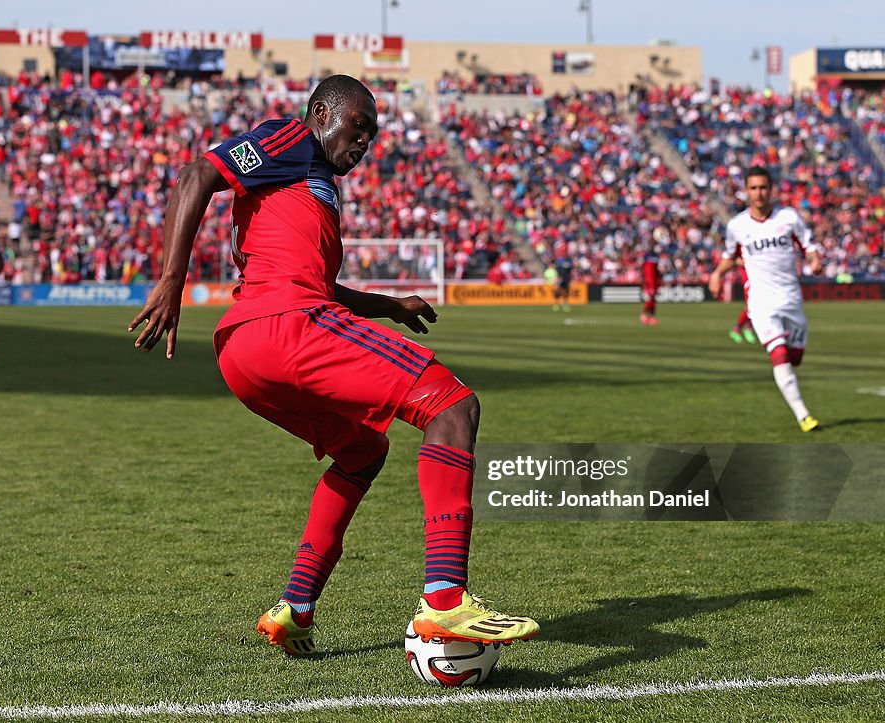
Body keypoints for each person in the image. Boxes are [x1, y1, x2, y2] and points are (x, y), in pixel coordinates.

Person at [129, 75, 539, 656]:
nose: (366, 140)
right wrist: (172, 279)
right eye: (358, 126)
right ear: (322, 112)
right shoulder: (290, 140)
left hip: (247, 353)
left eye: (373, 132)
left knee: (364, 450)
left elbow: (317, 281)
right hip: (287, 327)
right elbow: (196, 175)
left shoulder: (310, 183)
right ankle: (446, 603)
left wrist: (386, 306)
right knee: (452, 405)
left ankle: (296, 608)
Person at [709, 166, 822, 432]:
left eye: (763, 187)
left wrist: (815, 261)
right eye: (753, 188)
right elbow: (729, 256)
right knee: (779, 354)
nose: (759, 193)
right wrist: (716, 275)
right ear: (746, 191)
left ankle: (799, 403)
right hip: (760, 299)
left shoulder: (788, 217)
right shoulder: (737, 226)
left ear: (770, 190)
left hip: (790, 297)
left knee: (795, 358)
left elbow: (809, 246)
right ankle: (803, 415)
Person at [727, 264, 758, 345]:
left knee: (759, 304)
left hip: (759, 273)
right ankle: (738, 329)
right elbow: (737, 259)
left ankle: (749, 327)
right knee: (751, 305)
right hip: (749, 274)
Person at [640, 245, 661, 325]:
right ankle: (644, 314)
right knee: (650, 300)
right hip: (650, 283)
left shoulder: (654, 261)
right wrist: (650, 285)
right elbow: (648, 275)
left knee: (653, 301)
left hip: (653, 283)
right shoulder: (648, 263)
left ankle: (651, 317)